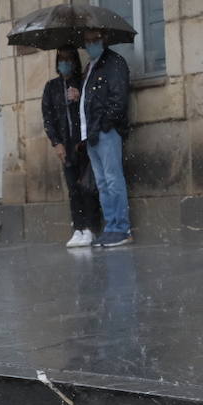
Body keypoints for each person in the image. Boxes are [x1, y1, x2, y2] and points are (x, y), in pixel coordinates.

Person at [76, 28, 133, 247]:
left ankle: (122, 228)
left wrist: (105, 124)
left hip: (105, 131)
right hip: (92, 132)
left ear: (104, 39)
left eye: (95, 40)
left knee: (112, 179)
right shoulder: (90, 66)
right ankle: (111, 227)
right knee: (102, 182)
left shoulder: (114, 63)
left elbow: (118, 97)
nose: (90, 44)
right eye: (87, 40)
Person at [42, 46, 101, 248]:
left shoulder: (81, 83)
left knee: (88, 187)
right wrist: (56, 143)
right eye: (61, 59)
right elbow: (48, 118)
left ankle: (91, 228)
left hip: (81, 144)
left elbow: (91, 110)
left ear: (75, 62)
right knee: (73, 189)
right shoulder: (51, 87)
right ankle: (78, 227)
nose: (64, 63)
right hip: (65, 147)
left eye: (68, 59)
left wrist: (79, 99)